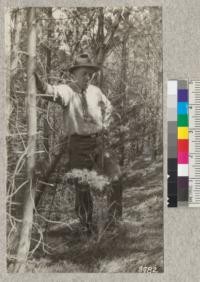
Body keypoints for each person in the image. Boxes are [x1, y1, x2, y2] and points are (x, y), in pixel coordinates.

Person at [34, 53, 122, 235]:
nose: (88, 77)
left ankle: (114, 222)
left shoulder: (96, 91)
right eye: (84, 73)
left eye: (90, 74)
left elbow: (109, 107)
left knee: (115, 176)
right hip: (78, 146)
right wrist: (35, 76)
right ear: (75, 74)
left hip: (98, 143)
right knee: (82, 188)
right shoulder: (67, 90)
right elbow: (49, 91)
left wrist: (105, 124)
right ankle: (86, 228)